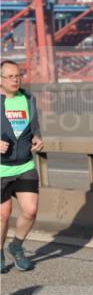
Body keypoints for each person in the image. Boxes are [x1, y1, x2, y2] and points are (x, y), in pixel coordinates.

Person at [1, 60, 43, 273]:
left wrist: (37, 137)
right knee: (3, 214)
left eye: (18, 75)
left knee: (30, 210)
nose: (16, 80)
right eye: (10, 76)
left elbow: (34, 125)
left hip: (24, 163)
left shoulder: (28, 98)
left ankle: (16, 247)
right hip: (1, 169)